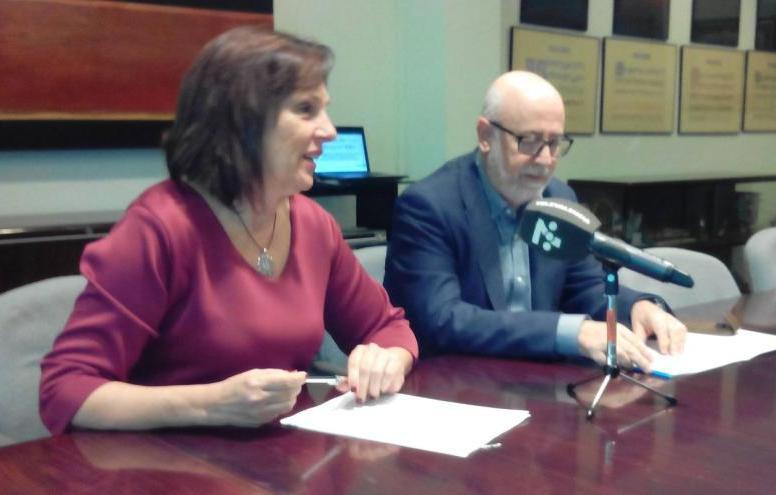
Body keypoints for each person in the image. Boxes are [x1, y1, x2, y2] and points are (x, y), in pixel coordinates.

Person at [39, 26, 418, 435]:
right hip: (164, 465)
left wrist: (387, 359)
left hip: (282, 461)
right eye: (306, 109)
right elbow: (65, 389)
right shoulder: (160, 227)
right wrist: (209, 404)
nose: (329, 130)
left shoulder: (313, 224)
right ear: (243, 121)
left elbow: (388, 327)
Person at [383, 71, 686, 372]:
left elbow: (585, 286)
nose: (545, 159)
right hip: (459, 385)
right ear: (486, 136)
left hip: (541, 382)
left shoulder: (558, 198)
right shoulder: (429, 206)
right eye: (529, 142)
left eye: (555, 143)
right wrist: (570, 332)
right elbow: (443, 320)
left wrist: (636, 307)